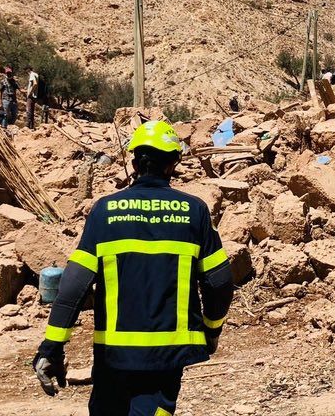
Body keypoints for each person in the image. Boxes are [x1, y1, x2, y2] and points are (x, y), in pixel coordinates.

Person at [33, 120, 234, 414]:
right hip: (167, 356)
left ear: (134, 161)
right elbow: (219, 283)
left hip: (112, 356)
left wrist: (52, 346)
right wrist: (212, 330)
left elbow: (73, 286)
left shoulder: (105, 211)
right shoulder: (195, 211)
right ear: (174, 163)